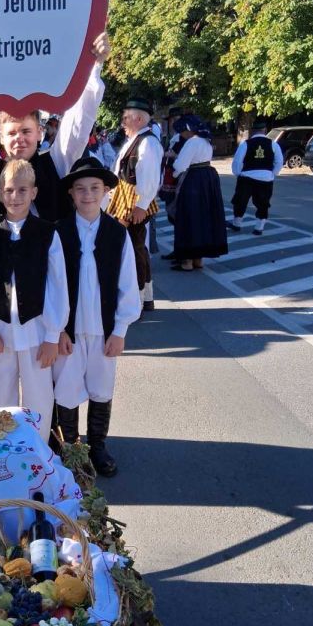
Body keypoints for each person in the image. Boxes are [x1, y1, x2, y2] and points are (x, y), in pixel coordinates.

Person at [0, 33, 111, 224]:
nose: (19, 138)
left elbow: (78, 125)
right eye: (11, 133)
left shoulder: (56, 162)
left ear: (39, 133)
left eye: (26, 131)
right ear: (0, 136)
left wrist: (94, 66)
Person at [53, 159, 141, 476]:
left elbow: (127, 286)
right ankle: (72, 449)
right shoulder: (59, 233)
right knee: (66, 389)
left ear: (105, 191)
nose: (88, 195)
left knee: (101, 388)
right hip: (70, 332)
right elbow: (51, 286)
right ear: (72, 194)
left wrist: (120, 330)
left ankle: (98, 446)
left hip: (103, 331)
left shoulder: (117, 234)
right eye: (80, 189)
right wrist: (58, 330)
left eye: (94, 188)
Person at [0, 159, 69, 442]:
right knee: (0, 399)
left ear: (33, 193)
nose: (15, 197)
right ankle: (4, 456)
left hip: (36, 333)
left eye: (22, 190)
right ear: (1, 193)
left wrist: (53, 334)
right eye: (9, 190)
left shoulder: (47, 233)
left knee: (38, 400)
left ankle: (36, 454)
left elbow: (57, 286)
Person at [106, 98, 163, 313]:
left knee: (132, 251)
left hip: (133, 204)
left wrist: (141, 206)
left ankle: (137, 301)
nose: (122, 123)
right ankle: (144, 298)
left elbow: (149, 177)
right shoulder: (139, 139)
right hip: (128, 201)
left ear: (138, 119)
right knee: (137, 249)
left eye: (125, 118)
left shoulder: (147, 142)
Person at [169, 115, 228, 271]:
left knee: (189, 216)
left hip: (194, 180)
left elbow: (181, 165)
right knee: (204, 217)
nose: (181, 135)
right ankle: (198, 259)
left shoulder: (192, 142)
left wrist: (173, 171)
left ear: (188, 130)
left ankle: (187, 261)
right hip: (208, 179)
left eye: (182, 131)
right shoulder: (206, 141)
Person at [228, 121, 283, 235]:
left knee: (240, 201)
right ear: (265, 130)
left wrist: (238, 174)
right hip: (265, 179)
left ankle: (237, 224)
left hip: (247, 177)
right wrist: (272, 174)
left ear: (253, 131)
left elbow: (237, 161)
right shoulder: (273, 144)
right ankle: (259, 227)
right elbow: (279, 161)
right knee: (263, 203)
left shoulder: (246, 144)